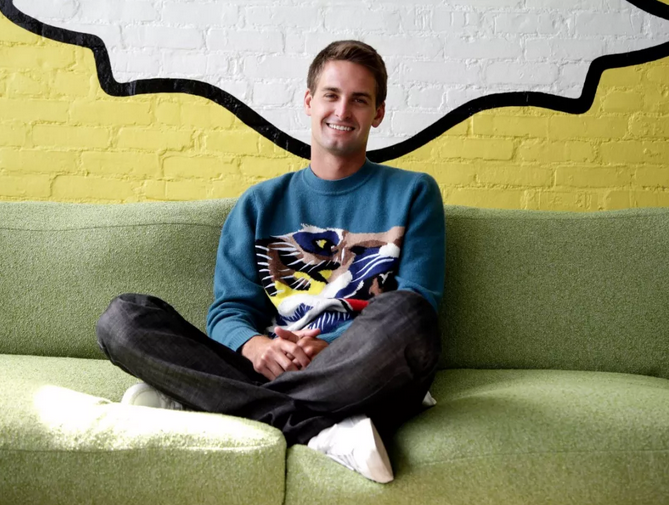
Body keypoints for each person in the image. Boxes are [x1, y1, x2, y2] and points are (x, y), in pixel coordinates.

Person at [96, 40, 445, 484]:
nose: (342, 110)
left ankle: (206, 399)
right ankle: (321, 429)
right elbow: (229, 311)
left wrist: (334, 349)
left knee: (410, 313)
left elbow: (419, 301)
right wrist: (257, 348)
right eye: (331, 95)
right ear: (309, 101)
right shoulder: (259, 203)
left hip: (362, 369)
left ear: (377, 113)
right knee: (123, 320)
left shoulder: (414, 192)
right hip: (269, 365)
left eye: (360, 100)